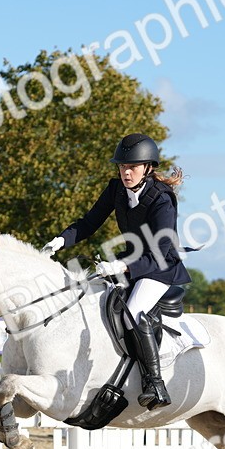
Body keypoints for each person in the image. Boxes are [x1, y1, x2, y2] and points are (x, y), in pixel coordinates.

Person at [41, 133, 189, 410]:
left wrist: (122, 266)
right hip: (131, 261)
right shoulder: (116, 190)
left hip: (159, 267)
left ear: (148, 168)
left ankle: (155, 383)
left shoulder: (162, 200)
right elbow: (89, 222)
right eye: (122, 167)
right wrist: (60, 240)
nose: (126, 172)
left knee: (133, 310)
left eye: (131, 167)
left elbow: (159, 249)